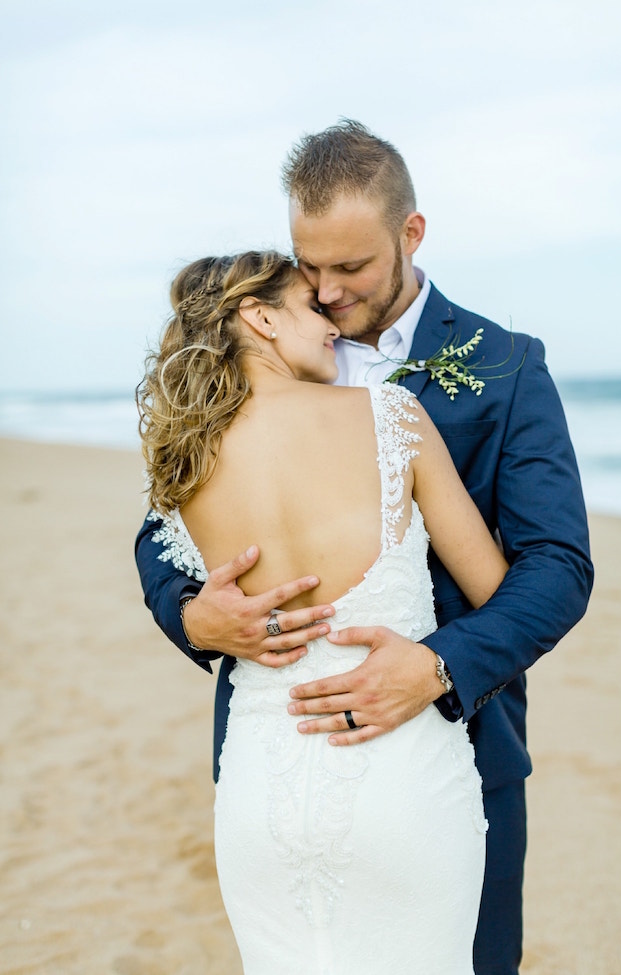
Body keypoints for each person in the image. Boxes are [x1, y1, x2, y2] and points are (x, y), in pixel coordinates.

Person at [135, 121, 594, 975]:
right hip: (272, 758)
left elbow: (558, 569)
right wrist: (197, 617)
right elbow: (161, 541)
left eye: (352, 268)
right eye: (310, 269)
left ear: (411, 234)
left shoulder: (505, 367)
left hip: (458, 748)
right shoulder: (256, 375)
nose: (330, 292)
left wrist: (438, 664)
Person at [137, 249, 510, 974]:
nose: (333, 325)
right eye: (312, 308)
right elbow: (494, 589)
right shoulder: (390, 416)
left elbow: (170, 574)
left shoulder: (181, 462)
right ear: (261, 316)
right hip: (398, 778)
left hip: (258, 800)